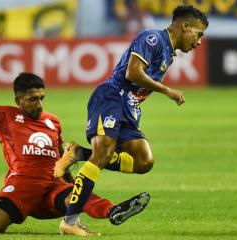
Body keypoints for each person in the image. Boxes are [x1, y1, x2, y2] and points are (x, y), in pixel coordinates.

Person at [0, 38, 150, 235]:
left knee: (79, 197)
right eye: (33, 99)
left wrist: (71, 184)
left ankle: (114, 211)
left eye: (42, 97)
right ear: (18, 100)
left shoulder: (52, 121)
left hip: (53, 186)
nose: (39, 104)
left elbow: (62, 156)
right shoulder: (2, 116)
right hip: (22, 185)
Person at [54, 5, 208, 236]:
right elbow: (132, 73)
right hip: (111, 97)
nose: (198, 42)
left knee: (144, 161)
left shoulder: (169, 53)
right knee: (104, 153)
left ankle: (79, 153)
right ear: (185, 26)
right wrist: (167, 90)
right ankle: (70, 220)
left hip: (129, 109)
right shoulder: (153, 38)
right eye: (198, 34)